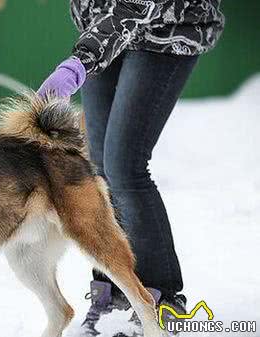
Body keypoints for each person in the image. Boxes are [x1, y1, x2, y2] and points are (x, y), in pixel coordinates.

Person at [37, 0, 224, 334]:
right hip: (103, 31)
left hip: (164, 30)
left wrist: (78, 64)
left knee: (125, 166)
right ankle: (118, 290)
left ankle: (161, 299)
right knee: (100, 171)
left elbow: (135, 6)